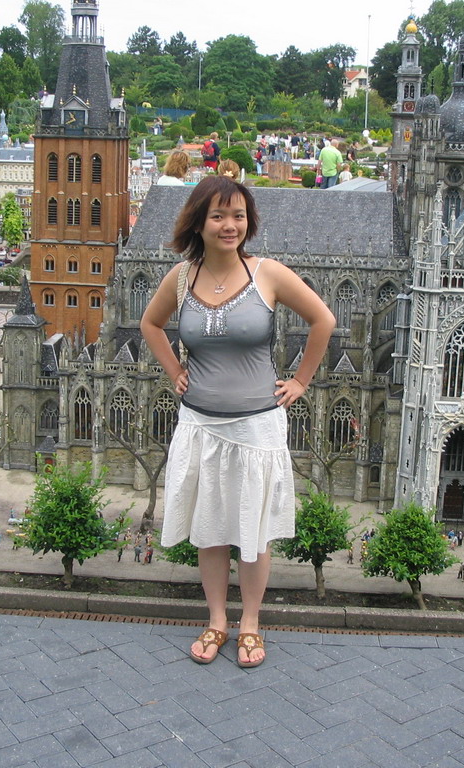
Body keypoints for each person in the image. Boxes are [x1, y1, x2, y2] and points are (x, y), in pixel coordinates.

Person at [140, 176, 334, 667]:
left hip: (256, 427)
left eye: (239, 216)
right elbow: (149, 323)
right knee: (211, 528)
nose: (230, 225)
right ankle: (216, 621)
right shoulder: (181, 278)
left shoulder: (267, 273)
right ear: (199, 222)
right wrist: (176, 371)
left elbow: (323, 320)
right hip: (200, 424)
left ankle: (249, 623)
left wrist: (301, 382)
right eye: (220, 216)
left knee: (252, 530)